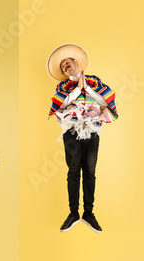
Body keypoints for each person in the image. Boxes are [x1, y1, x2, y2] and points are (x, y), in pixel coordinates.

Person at [47, 43, 118, 233]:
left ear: (75, 62)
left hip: (92, 129)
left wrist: (87, 87)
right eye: (62, 66)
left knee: (90, 171)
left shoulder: (94, 80)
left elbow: (106, 101)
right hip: (71, 130)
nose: (65, 66)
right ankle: (73, 214)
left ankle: (89, 214)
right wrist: (77, 90)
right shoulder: (62, 86)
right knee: (73, 171)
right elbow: (59, 105)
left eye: (67, 62)